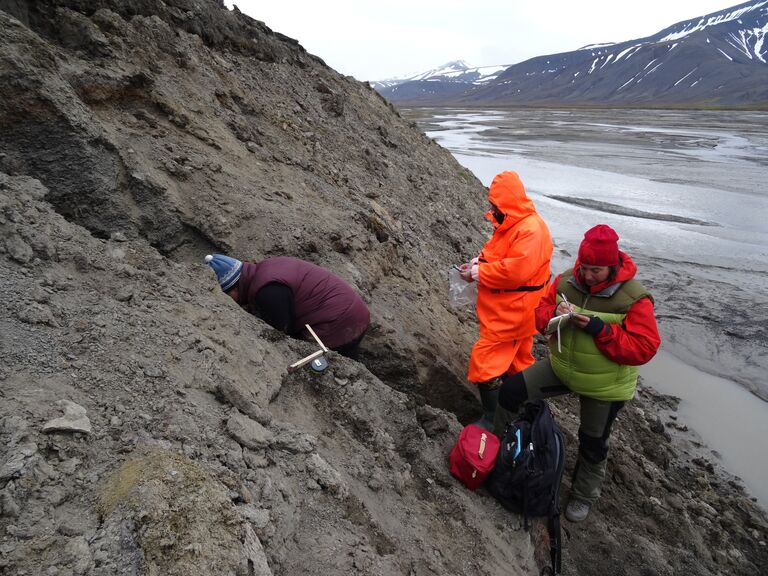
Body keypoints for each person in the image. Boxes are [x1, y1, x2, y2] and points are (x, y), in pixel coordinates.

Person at [495, 224, 661, 523]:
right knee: (510, 392)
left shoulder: (635, 298)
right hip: (562, 369)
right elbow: (539, 317)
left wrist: (602, 330)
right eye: (583, 267)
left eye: (595, 270)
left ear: (612, 267)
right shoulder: (566, 281)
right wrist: (554, 313)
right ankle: (502, 451)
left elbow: (644, 348)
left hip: (605, 386)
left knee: (593, 441)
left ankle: (584, 495)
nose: (586, 275)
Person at [458, 170, 553, 430]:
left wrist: (478, 272)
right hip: (512, 310)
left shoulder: (530, 230)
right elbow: (500, 256)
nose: (492, 208)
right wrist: (478, 264)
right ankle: (526, 410)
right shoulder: (513, 222)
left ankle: (492, 418)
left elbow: (515, 271)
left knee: (485, 360)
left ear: (508, 202)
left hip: (513, 312)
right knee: (518, 360)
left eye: (495, 204)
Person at [205, 254, 370, 357]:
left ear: (234, 287)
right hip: (354, 312)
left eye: (226, 295)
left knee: (309, 354)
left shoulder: (267, 292)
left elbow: (281, 331)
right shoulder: (265, 269)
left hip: (340, 323)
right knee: (349, 356)